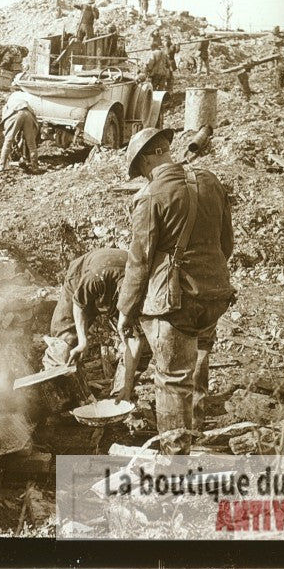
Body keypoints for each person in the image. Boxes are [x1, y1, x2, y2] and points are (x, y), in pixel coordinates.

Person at [118, 128, 236, 435]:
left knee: (172, 381)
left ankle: (175, 457)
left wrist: (126, 311)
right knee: (198, 355)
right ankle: (195, 431)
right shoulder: (210, 181)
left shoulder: (150, 196)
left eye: (142, 172)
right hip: (216, 294)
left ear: (146, 161)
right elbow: (227, 244)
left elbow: (139, 261)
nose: (144, 178)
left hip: (177, 301)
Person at [48, 247, 152, 402]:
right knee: (64, 341)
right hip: (82, 277)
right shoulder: (96, 278)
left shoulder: (142, 292)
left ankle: (119, 395)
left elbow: (135, 340)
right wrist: (83, 341)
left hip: (121, 285)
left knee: (144, 349)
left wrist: (128, 385)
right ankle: (59, 397)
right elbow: (79, 304)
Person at [0, 94, 41, 172]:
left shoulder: (6, 106)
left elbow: (6, 126)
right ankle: (35, 167)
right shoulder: (21, 101)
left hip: (16, 114)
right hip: (28, 114)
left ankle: (1, 165)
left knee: (8, 141)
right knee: (31, 144)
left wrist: (13, 141)